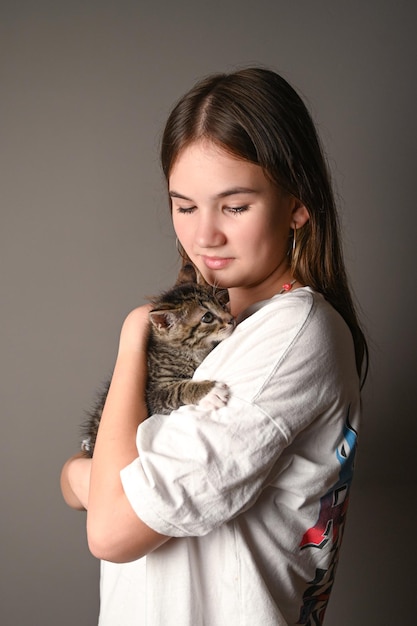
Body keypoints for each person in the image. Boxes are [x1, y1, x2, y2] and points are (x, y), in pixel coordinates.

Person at [61, 67, 368, 625]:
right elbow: (83, 483)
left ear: (297, 203)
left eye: (234, 206)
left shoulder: (293, 336)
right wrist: (92, 481)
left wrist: (134, 338)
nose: (205, 236)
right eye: (185, 206)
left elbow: (109, 527)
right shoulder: (213, 331)